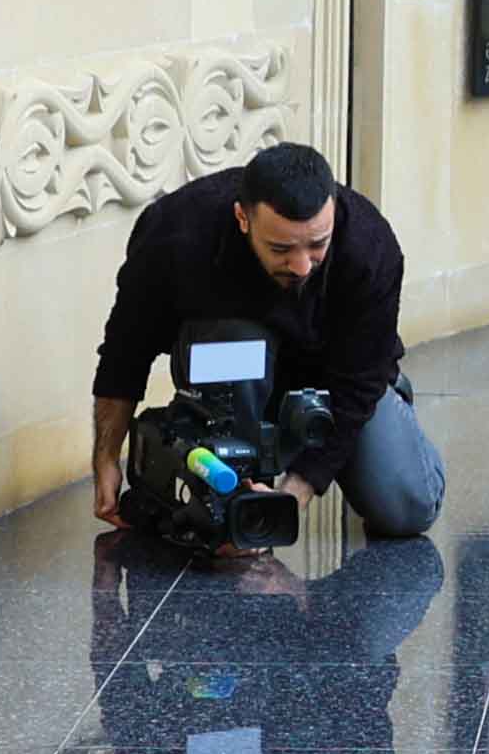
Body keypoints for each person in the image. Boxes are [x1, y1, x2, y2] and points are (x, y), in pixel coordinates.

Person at [90, 142, 446, 542]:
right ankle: (231, 491)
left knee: (407, 510)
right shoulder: (175, 232)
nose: (302, 266)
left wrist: (291, 497)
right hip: (233, 374)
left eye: (318, 245)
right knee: (235, 341)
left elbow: (358, 384)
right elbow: (125, 351)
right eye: (281, 249)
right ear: (242, 218)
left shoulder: (370, 244)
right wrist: (106, 457)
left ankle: (395, 408)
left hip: (336, 388)